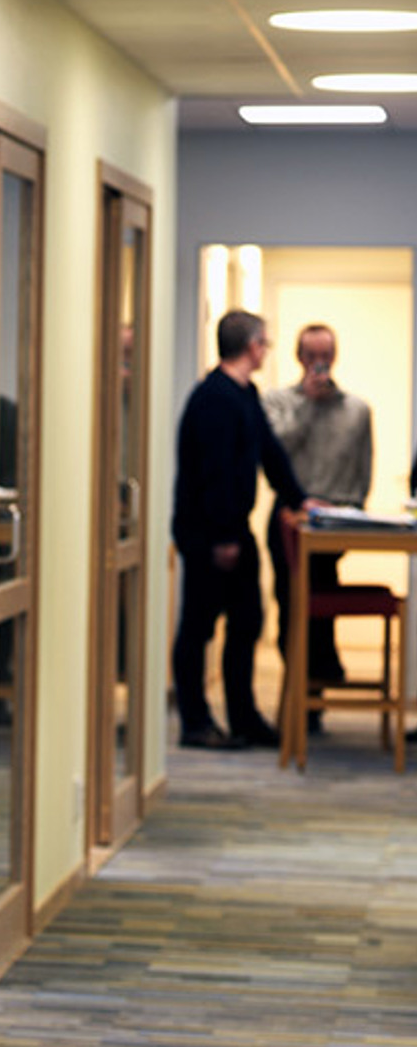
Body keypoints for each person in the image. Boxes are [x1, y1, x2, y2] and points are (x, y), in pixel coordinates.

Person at [172, 310, 310, 749]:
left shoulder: (245, 394)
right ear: (252, 347)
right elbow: (215, 475)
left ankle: (244, 718)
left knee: (248, 619)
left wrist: (300, 500)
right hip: (209, 532)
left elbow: (270, 453)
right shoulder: (214, 398)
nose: (266, 350)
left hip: (232, 527)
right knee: (198, 626)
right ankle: (195, 723)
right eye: (264, 343)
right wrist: (224, 538)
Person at [263, 324, 372, 720]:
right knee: (290, 606)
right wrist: (307, 405)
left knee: (322, 607)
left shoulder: (356, 410)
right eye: (312, 356)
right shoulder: (278, 402)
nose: (319, 364)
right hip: (290, 517)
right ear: (299, 357)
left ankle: (317, 692)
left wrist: (354, 511)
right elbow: (274, 450)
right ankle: (299, 695)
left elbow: (363, 466)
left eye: (325, 355)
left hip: (336, 520)